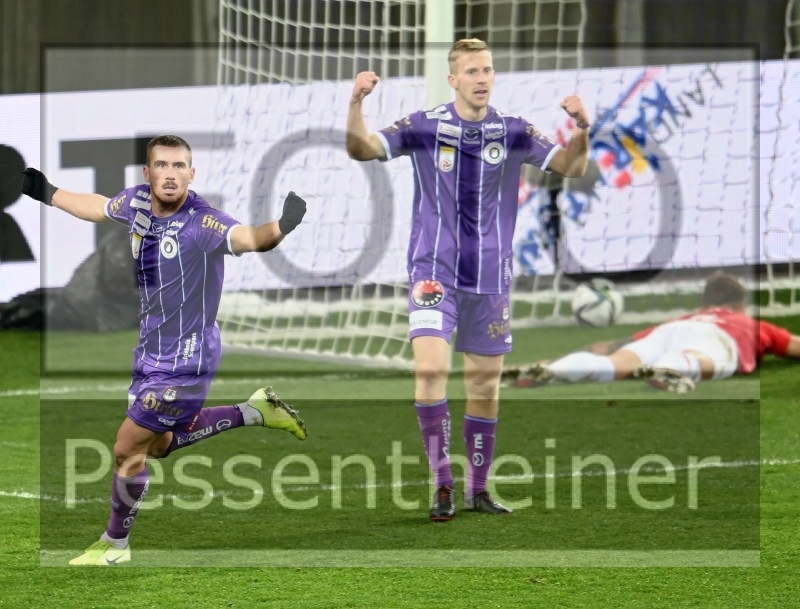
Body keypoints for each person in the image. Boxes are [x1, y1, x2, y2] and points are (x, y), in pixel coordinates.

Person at [22, 135, 309, 566]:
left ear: (192, 174)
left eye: (179, 166)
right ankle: (254, 411)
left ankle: (115, 547)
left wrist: (282, 226)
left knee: (126, 449)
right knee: (157, 446)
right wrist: (46, 192)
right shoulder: (138, 202)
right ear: (148, 173)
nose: (170, 174)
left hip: (186, 362)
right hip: (151, 352)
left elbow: (250, 238)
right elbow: (98, 206)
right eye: (162, 165)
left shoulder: (202, 222)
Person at [346, 39, 590, 521]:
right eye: (472, 71)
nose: (482, 78)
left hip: (491, 280)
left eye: (488, 70)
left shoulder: (514, 131)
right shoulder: (424, 125)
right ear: (454, 79)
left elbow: (572, 166)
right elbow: (361, 147)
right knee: (431, 372)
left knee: (484, 388)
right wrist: (355, 103)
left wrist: (583, 128)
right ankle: (442, 484)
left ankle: (480, 489)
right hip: (434, 274)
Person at [504, 272, 800, 393]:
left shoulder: (688, 316)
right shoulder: (749, 323)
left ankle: (552, 370)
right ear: (738, 303)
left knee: (614, 365)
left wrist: (562, 357)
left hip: (668, 332)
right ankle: (669, 368)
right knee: (700, 357)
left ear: (707, 302)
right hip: (717, 339)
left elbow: (610, 346)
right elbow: (794, 346)